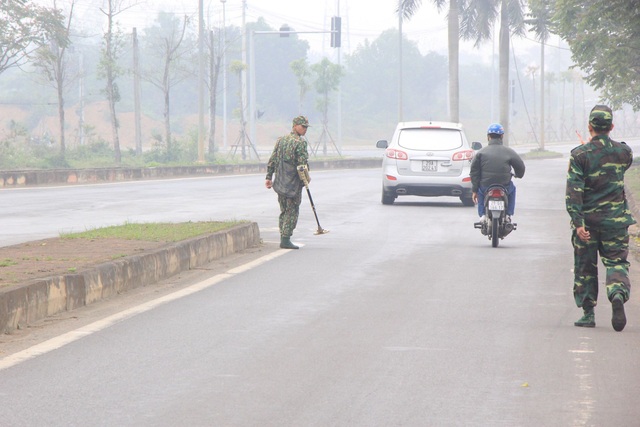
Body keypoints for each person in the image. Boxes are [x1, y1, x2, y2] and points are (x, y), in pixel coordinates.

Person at [566, 105, 635, 331]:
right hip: (615, 221)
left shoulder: (579, 155)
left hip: (587, 223)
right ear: (611, 127)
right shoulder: (624, 153)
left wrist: (578, 224)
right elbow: (623, 161)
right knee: (616, 262)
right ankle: (617, 293)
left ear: (590, 126)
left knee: (585, 267)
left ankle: (588, 313)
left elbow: (573, 192)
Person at [265, 115, 311, 249]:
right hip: (293, 184)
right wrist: (306, 180)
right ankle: (285, 239)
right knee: (292, 211)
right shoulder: (300, 143)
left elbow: (272, 159)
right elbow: (302, 165)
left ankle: (283, 236)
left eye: (306, 127)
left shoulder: (281, 140)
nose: (305, 130)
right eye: (303, 127)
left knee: (284, 210)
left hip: (279, 182)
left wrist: (269, 177)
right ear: (295, 126)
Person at [470, 123, 526, 223]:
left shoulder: (481, 153)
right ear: (502, 136)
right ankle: (508, 214)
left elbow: (474, 172)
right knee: (512, 189)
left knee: (480, 190)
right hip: (504, 186)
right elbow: (520, 167)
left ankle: (482, 215)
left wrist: (474, 190)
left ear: (488, 137)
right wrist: (518, 175)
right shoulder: (509, 152)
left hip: (485, 186)